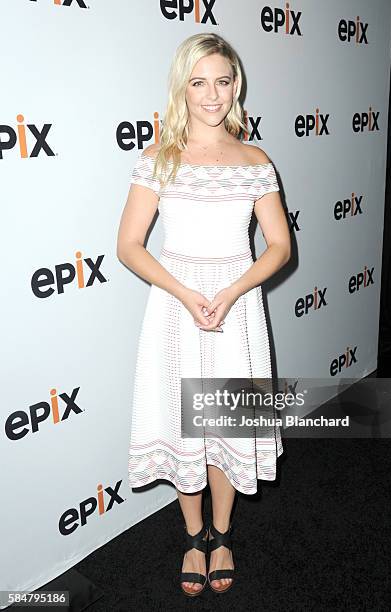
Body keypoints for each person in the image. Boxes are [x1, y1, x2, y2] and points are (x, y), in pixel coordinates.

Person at [117, 32, 291, 597]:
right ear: (182, 89)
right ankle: (194, 539)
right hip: (175, 306)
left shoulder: (256, 161)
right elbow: (130, 246)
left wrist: (236, 289)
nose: (212, 94)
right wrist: (187, 293)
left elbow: (279, 247)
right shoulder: (157, 160)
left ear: (235, 85)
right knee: (185, 425)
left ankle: (222, 533)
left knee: (226, 425)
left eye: (222, 81)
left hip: (237, 309)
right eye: (199, 82)